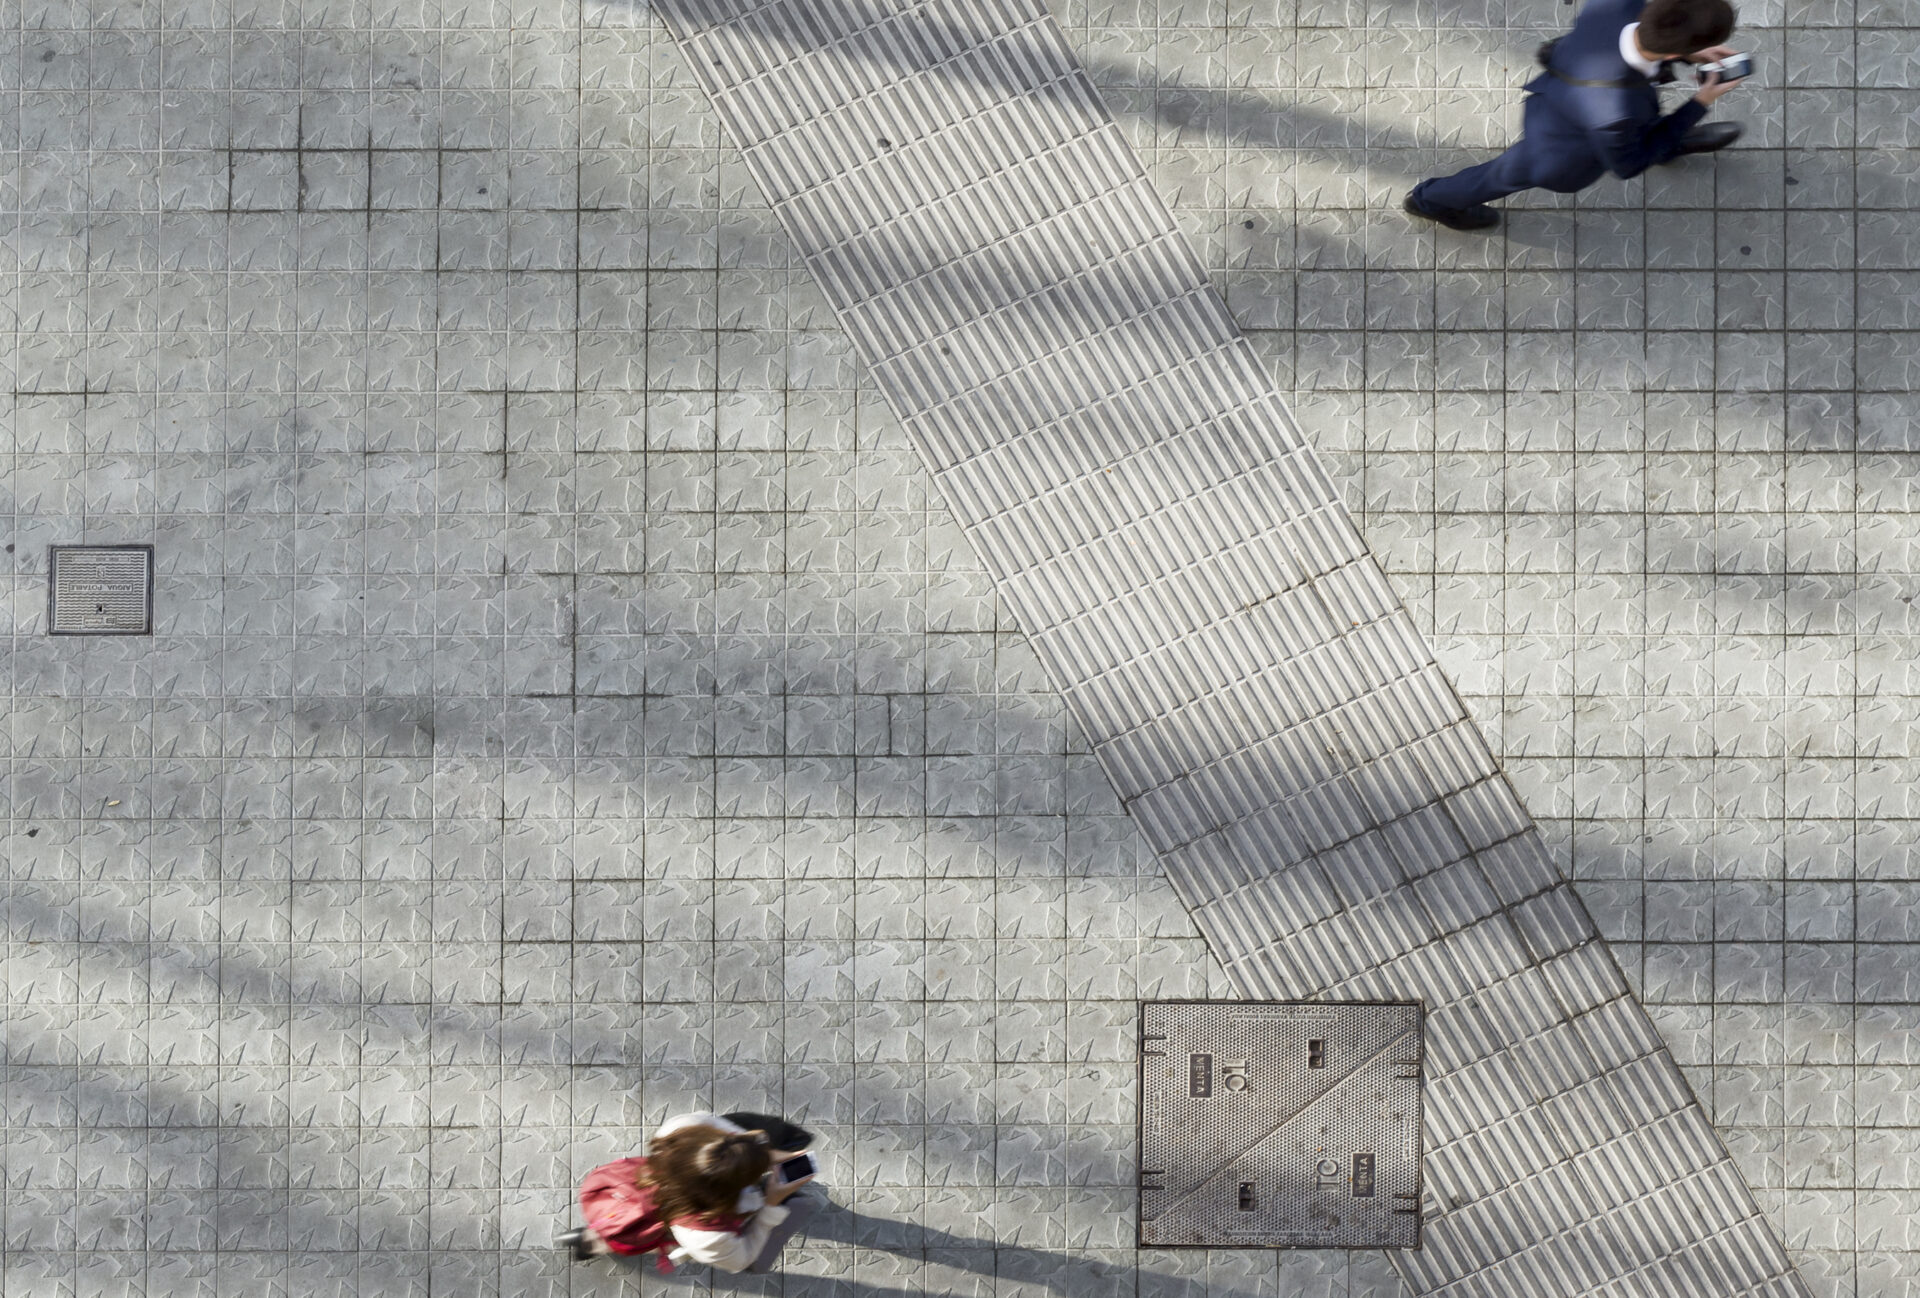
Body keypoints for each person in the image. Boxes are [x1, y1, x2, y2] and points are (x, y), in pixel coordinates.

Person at [1403, 0, 1746, 231]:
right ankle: (1428, 200)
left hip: (1576, 94)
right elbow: (1627, 165)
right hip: (1560, 145)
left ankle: (1669, 142)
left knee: (1642, 127)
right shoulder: (1615, 112)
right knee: (1502, 174)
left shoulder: (1614, 5)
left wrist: (1690, 51)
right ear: (1674, 49)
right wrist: (1699, 102)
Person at [560, 1111, 822, 1274]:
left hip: (630, 1189)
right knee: (643, 1231)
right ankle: (601, 1240)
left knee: (630, 1223)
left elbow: (729, 1136)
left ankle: (594, 1238)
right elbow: (742, 1259)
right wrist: (771, 1204)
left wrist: (769, 1154)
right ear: (728, 1194)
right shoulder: (703, 1237)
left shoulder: (680, 1128)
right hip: (678, 1221)